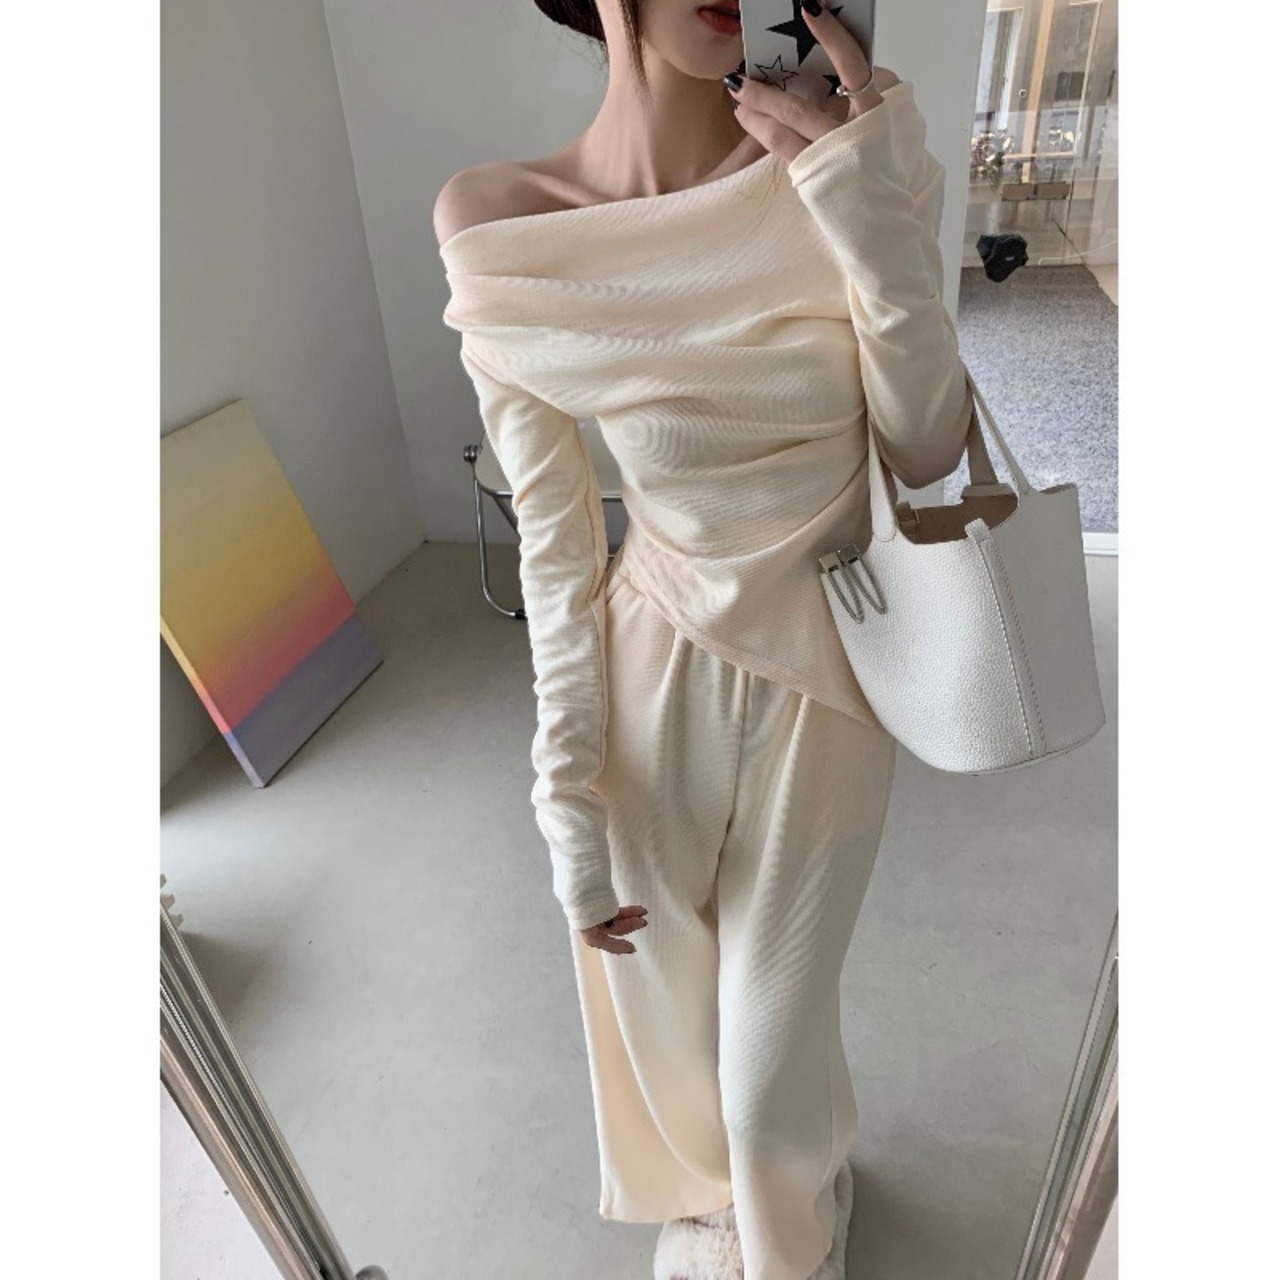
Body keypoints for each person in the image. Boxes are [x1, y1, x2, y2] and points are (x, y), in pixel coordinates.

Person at [435, 2, 975, 1277]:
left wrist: (862, 203)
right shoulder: (497, 219)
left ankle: (790, 1234)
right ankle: (720, 1200)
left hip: (833, 667)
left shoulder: (850, 147)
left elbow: (926, 446)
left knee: (767, 1049)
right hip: (645, 673)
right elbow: (555, 539)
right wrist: (562, 780)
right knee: (663, 1015)